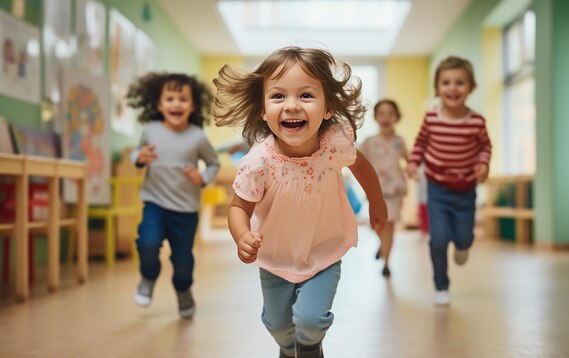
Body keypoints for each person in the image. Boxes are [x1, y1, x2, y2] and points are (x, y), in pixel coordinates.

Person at [213, 47, 388, 358]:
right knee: (278, 324)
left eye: (306, 95)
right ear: (263, 110)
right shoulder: (259, 161)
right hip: (275, 257)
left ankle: (309, 347)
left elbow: (362, 167)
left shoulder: (335, 144)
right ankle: (287, 348)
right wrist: (242, 236)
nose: (291, 106)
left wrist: (376, 202)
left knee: (311, 320)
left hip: (324, 250)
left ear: (328, 107)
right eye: (278, 96)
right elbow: (240, 207)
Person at [126, 72, 220, 318]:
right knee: (147, 244)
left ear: (193, 106)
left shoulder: (198, 137)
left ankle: (183, 290)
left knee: (182, 264)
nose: (176, 104)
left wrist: (203, 178)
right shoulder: (150, 131)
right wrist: (139, 158)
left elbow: (213, 164)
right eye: (169, 98)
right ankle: (147, 277)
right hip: (155, 204)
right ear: (158, 104)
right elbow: (136, 153)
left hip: (186, 211)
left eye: (182, 99)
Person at [406, 56, 492, 306]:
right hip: (438, 187)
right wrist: (413, 162)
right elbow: (420, 144)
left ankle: (463, 245)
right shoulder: (431, 118)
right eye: (446, 83)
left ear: (471, 88)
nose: (453, 88)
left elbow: (485, 146)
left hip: (466, 188)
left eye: (460, 83)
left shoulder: (476, 121)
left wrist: (483, 164)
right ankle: (441, 285)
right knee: (439, 238)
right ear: (438, 88)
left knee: (464, 236)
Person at [359, 99, 408, 277]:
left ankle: (386, 263)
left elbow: (409, 160)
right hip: (375, 189)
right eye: (381, 113)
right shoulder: (369, 141)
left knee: (390, 225)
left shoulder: (399, 141)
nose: (386, 117)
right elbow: (356, 160)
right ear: (376, 117)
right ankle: (383, 245)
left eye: (390, 113)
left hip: (395, 190)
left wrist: (413, 168)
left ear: (396, 117)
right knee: (376, 225)